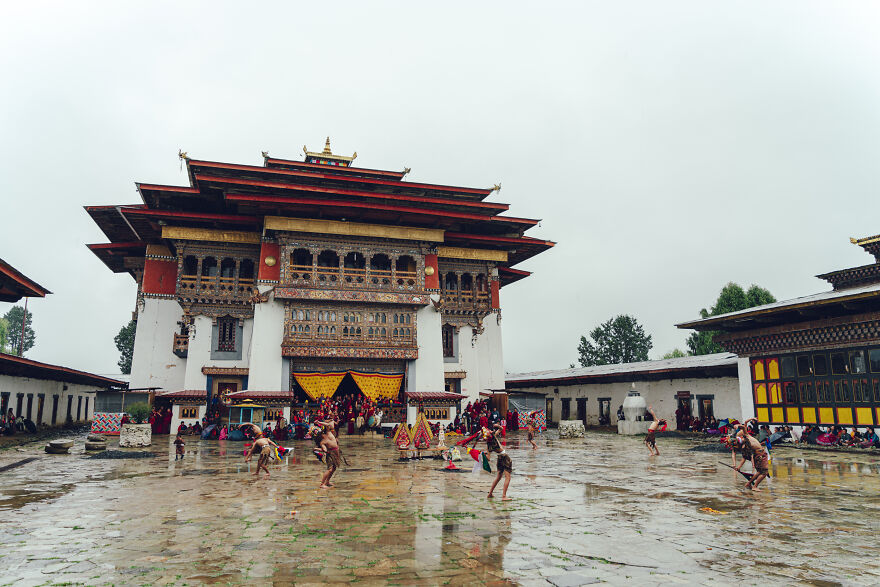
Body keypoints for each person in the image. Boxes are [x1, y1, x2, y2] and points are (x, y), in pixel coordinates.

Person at [471, 423, 512, 500]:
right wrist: (497, 426)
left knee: (498, 477)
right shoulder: (493, 437)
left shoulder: (489, 444)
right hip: (505, 457)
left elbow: (488, 459)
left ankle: (490, 493)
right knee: (508, 477)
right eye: (489, 431)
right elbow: (501, 429)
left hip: (499, 458)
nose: (490, 431)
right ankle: (504, 496)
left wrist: (483, 454)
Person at [734, 419, 770, 491]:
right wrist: (738, 467)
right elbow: (744, 458)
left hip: (760, 455)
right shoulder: (745, 445)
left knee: (759, 472)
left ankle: (749, 483)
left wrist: (737, 426)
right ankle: (755, 486)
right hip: (760, 455)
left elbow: (743, 427)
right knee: (764, 473)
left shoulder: (747, 437)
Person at [317, 422, 341, 489]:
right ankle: (322, 484)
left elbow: (328, 425)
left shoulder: (329, 433)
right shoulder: (322, 442)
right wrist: (318, 449)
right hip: (330, 454)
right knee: (330, 469)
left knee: (334, 468)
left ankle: (327, 481)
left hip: (336, 452)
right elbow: (324, 449)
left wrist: (319, 422)